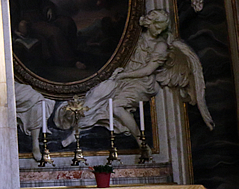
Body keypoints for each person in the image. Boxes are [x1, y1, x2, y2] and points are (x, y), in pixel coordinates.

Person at [55, 9, 214, 145]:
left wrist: (124, 74)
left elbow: (147, 71)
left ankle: (141, 142)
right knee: (98, 96)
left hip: (141, 83)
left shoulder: (161, 46)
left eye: (160, 27)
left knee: (114, 107)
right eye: (155, 25)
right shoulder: (134, 38)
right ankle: (76, 127)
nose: (157, 30)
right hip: (122, 78)